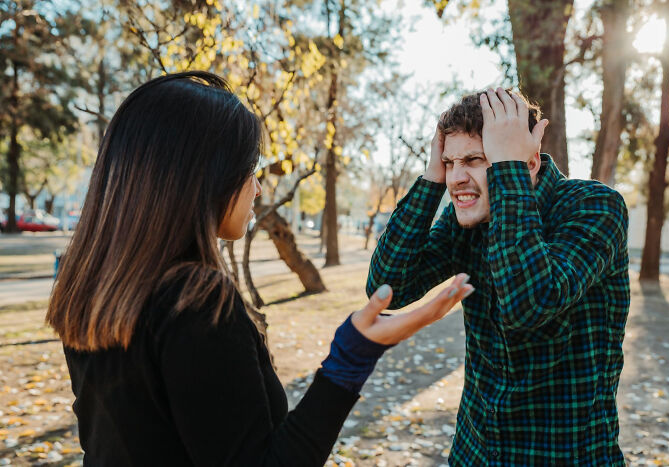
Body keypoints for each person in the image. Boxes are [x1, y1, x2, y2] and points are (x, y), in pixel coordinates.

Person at [46, 71, 475, 466]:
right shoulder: (194, 301)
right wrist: (352, 355)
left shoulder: (92, 286)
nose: (258, 184)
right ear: (203, 177)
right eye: (249, 167)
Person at [367, 88, 630, 465]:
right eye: (449, 162)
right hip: (474, 453)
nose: (457, 177)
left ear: (530, 163)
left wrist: (509, 169)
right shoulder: (466, 222)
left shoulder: (594, 207)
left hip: (566, 457)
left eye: (474, 159)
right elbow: (386, 288)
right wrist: (431, 180)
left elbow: (529, 305)